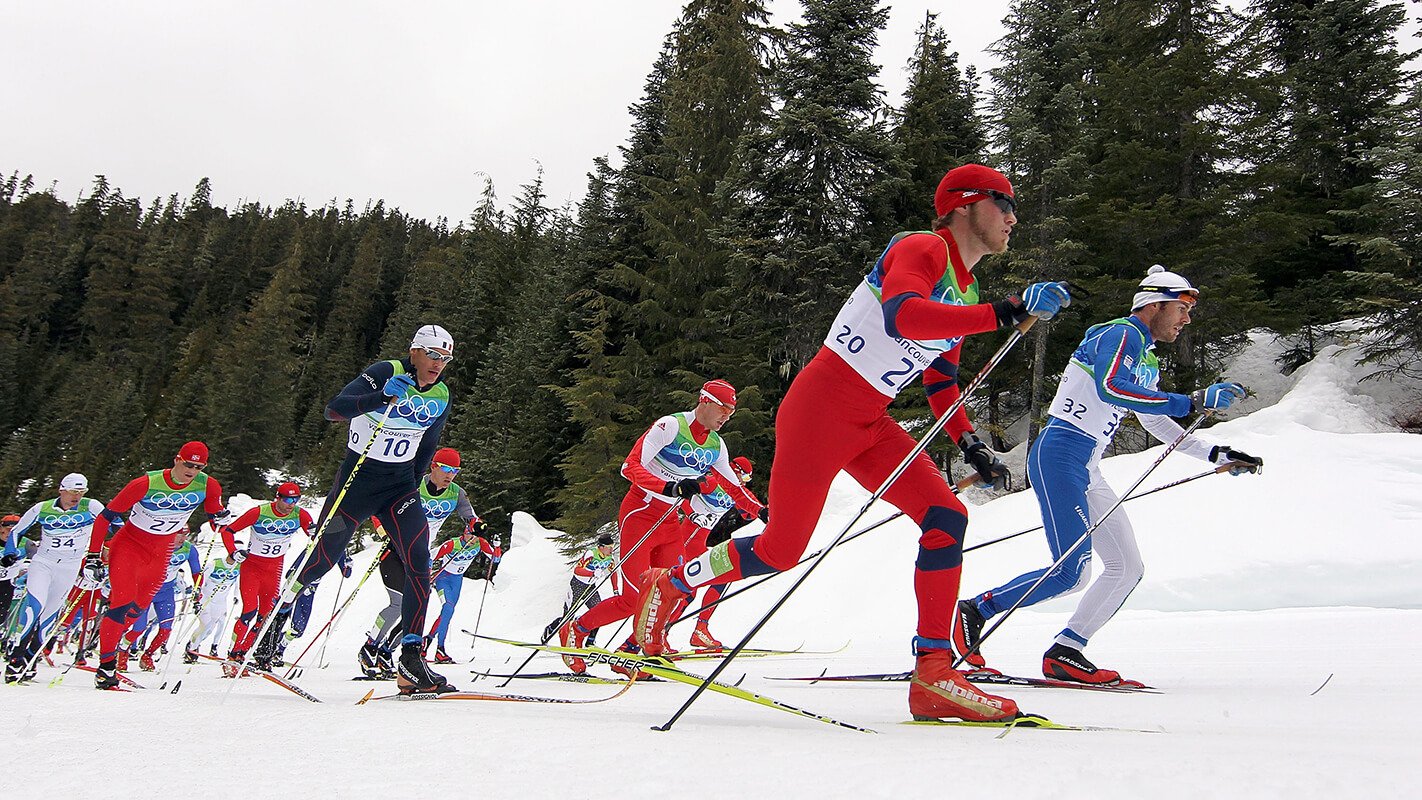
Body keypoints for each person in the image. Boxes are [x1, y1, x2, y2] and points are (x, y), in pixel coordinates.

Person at [631, 164, 1072, 722]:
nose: (1012, 216)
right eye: (1002, 201)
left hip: (870, 421)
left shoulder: (968, 287)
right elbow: (903, 315)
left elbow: (940, 378)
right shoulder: (922, 247)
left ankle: (933, 674)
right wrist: (1005, 312)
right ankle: (671, 581)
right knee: (780, 550)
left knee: (946, 517)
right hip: (820, 409)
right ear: (964, 204)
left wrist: (971, 445)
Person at [953, 265, 1263, 685]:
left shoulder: (1145, 357)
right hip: (1062, 452)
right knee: (1071, 571)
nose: (1187, 318)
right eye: (1183, 307)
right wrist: (1190, 398)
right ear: (1154, 304)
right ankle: (977, 608)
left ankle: (1067, 650)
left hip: (1087, 464)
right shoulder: (1120, 334)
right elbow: (1111, 389)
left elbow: (1152, 419)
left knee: (1126, 566)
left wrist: (1214, 452)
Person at [269, 325, 455, 694]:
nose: (438, 364)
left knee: (420, 561)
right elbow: (333, 410)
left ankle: (411, 658)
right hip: (357, 483)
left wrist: (416, 485)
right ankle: (278, 615)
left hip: (399, 487)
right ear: (414, 352)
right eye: (433, 355)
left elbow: (429, 442)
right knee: (323, 557)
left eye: (446, 359)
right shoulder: (386, 372)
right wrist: (379, 397)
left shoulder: (441, 393)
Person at [559, 379, 764, 676]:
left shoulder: (716, 445)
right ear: (704, 401)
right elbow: (629, 467)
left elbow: (734, 488)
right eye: (722, 409)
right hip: (640, 513)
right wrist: (670, 487)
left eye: (731, 412)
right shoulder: (670, 427)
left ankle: (630, 655)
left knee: (674, 591)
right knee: (633, 599)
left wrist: (762, 511)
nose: (726, 417)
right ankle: (576, 629)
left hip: (668, 521)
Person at [87, 442, 227, 689]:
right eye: (188, 464)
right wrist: (93, 556)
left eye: (198, 466)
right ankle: (105, 667)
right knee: (122, 601)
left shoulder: (208, 485)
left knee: (138, 608)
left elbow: (215, 520)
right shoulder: (145, 484)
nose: (192, 470)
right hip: (129, 545)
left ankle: (114, 640)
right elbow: (105, 517)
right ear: (177, 459)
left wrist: (221, 519)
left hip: (161, 551)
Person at [355, 447, 477, 678]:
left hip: (420, 556)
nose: (451, 475)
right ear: (434, 466)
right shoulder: (414, 484)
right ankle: (369, 647)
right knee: (398, 602)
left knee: (418, 607)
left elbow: (471, 518)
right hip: (395, 551)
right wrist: (384, 532)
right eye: (447, 469)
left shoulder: (456, 493)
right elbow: (379, 508)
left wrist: (475, 529)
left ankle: (386, 651)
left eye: (456, 471)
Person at [3, 473, 106, 682]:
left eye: (81, 492)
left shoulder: (92, 506)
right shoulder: (43, 508)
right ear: (61, 490)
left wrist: (100, 559)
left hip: (69, 566)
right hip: (44, 563)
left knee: (50, 615)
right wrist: (9, 553)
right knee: (35, 608)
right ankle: (15, 660)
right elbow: (16, 532)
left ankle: (29, 659)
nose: (76, 497)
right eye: (72, 492)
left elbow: (115, 527)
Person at [218, 482, 314, 672]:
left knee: (266, 615)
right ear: (277, 498)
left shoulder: (299, 514)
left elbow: (315, 534)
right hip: (252, 567)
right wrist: (233, 551)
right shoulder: (259, 512)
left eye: (295, 500)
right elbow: (229, 531)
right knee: (249, 611)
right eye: (287, 499)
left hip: (275, 568)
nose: (290, 504)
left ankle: (242, 655)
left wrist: (314, 533)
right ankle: (232, 654)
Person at [679, 456, 761, 649]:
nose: (744, 482)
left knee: (719, 578)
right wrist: (693, 515)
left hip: (699, 544)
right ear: (735, 470)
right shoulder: (712, 481)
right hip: (686, 541)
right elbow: (682, 499)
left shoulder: (734, 491)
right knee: (686, 591)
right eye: (745, 477)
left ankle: (700, 630)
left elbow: (749, 510)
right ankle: (662, 631)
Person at [124, 528, 202, 671]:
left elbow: (196, 571)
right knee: (139, 628)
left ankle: (147, 656)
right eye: (179, 534)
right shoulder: (157, 543)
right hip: (146, 590)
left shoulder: (188, 549)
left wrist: (198, 588)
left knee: (166, 630)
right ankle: (122, 652)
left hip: (166, 593)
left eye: (185, 535)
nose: (182, 538)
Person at [424, 517, 500, 663]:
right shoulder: (453, 544)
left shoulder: (480, 543)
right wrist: (426, 578)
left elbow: (495, 559)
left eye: (474, 536)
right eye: (470, 535)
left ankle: (427, 641)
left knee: (448, 612)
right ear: (465, 532)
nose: (472, 540)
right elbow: (430, 557)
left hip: (457, 581)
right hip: (443, 579)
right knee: (448, 608)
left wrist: (497, 546)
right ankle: (440, 648)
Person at [542, 529, 617, 647]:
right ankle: (550, 630)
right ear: (601, 547)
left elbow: (614, 573)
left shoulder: (610, 558)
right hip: (577, 585)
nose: (611, 549)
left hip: (590, 587)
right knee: (568, 616)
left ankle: (590, 642)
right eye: (609, 547)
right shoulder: (591, 554)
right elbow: (577, 570)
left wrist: (616, 589)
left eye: (612, 546)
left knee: (598, 612)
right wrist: (591, 573)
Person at [185, 552, 242, 663]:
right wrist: (197, 596)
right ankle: (191, 648)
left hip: (220, 601)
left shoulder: (238, 566)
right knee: (205, 624)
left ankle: (201, 645)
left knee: (211, 628)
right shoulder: (215, 563)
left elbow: (237, 583)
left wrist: (236, 595)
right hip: (207, 598)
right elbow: (202, 579)